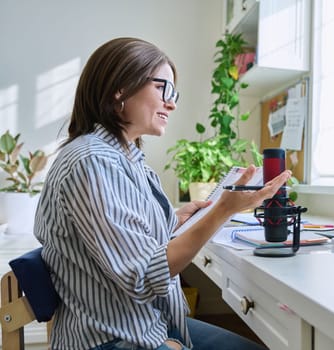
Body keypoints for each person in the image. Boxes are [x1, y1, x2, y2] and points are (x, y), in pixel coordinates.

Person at [34, 37, 290, 350]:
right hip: (112, 339)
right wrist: (223, 210)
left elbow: (130, 240)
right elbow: (142, 276)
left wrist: (176, 221)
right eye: (162, 88)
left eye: (173, 93)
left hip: (144, 325)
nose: (172, 103)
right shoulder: (93, 161)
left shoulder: (126, 160)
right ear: (120, 88)